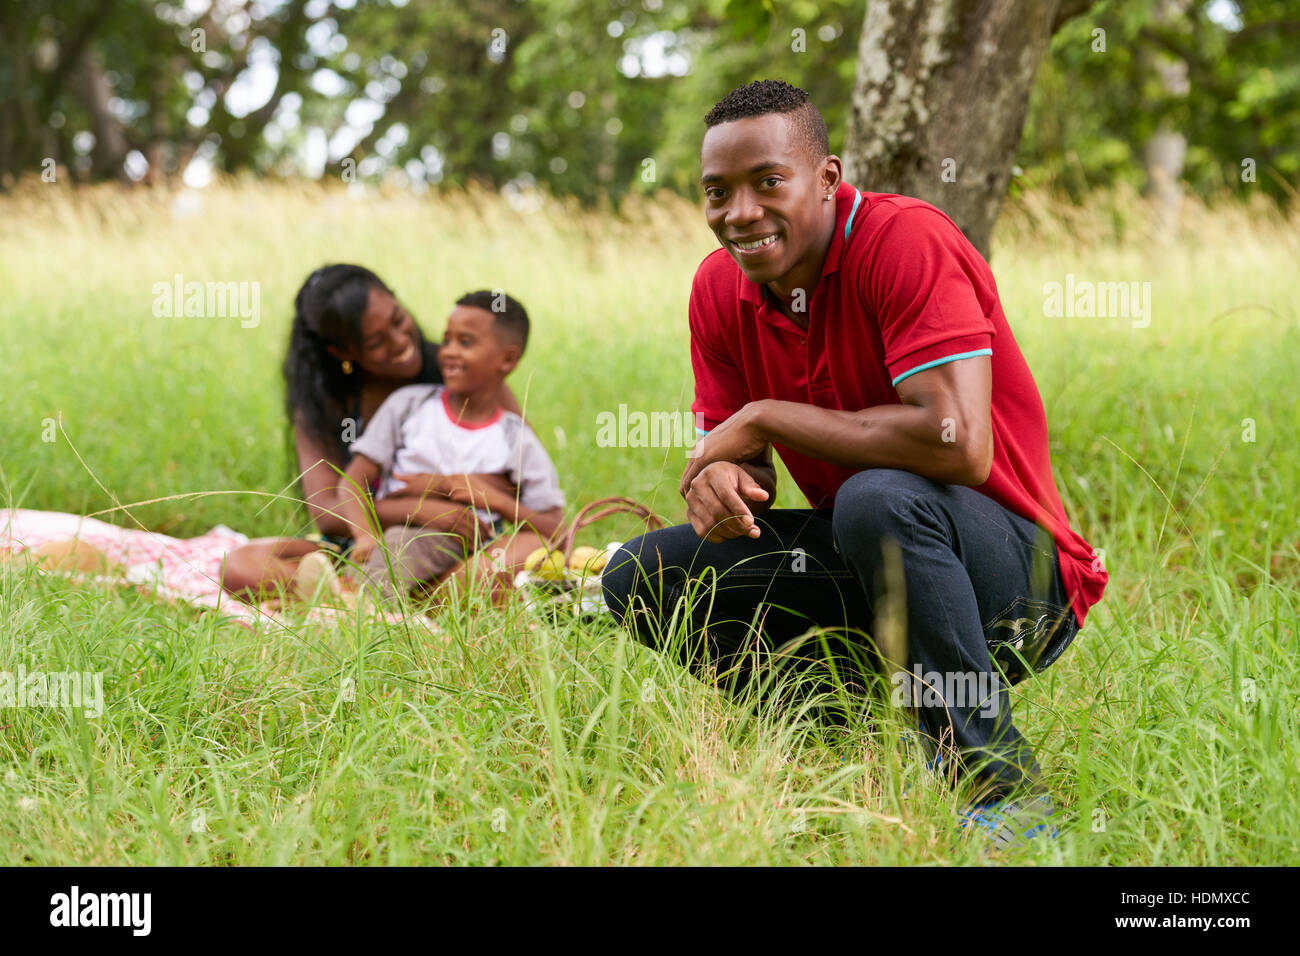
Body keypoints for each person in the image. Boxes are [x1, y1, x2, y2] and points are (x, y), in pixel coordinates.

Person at [601, 80, 1108, 846]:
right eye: (717, 192)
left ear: (829, 179)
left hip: (1019, 586)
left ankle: (1005, 801)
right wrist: (719, 481)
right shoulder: (719, 289)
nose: (739, 213)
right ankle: (843, 750)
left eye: (768, 182)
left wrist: (767, 415)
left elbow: (959, 444)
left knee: (876, 499)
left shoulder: (905, 241)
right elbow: (751, 468)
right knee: (641, 575)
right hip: (873, 558)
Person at [220, 264, 523, 599]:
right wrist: (418, 509)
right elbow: (327, 510)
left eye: (397, 319)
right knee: (240, 565)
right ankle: (375, 596)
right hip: (362, 548)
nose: (400, 342)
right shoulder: (328, 405)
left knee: (507, 564)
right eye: (377, 342)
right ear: (342, 353)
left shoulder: (464, 373)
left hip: (458, 546)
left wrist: (447, 500)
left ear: (396, 298)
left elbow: (521, 475)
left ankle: (358, 599)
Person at [336, 290, 565, 603]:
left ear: (508, 359)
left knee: (524, 554)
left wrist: (496, 501)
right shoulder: (409, 406)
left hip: (476, 547)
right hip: (403, 530)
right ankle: (365, 605)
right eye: (447, 340)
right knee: (402, 543)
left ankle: (361, 603)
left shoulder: (515, 438)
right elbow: (353, 481)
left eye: (466, 342)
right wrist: (364, 534)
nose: (448, 352)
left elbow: (556, 530)